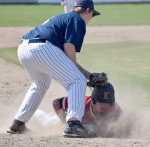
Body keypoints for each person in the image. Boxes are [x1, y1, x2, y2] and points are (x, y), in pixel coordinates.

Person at [7, 0, 101, 138]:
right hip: (41, 48)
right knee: (76, 80)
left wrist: (88, 75)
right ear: (87, 10)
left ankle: (18, 123)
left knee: (41, 84)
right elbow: (69, 48)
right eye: (92, 15)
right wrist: (84, 76)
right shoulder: (77, 19)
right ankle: (73, 125)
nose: (91, 18)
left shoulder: (62, 18)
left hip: (24, 49)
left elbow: (64, 57)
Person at [53, 82, 122, 137]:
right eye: (102, 107)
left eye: (108, 105)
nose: (105, 109)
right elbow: (56, 103)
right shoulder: (80, 104)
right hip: (69, 118)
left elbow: (123, 125)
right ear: (93, 101)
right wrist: (66, 123)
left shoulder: (115, 110)